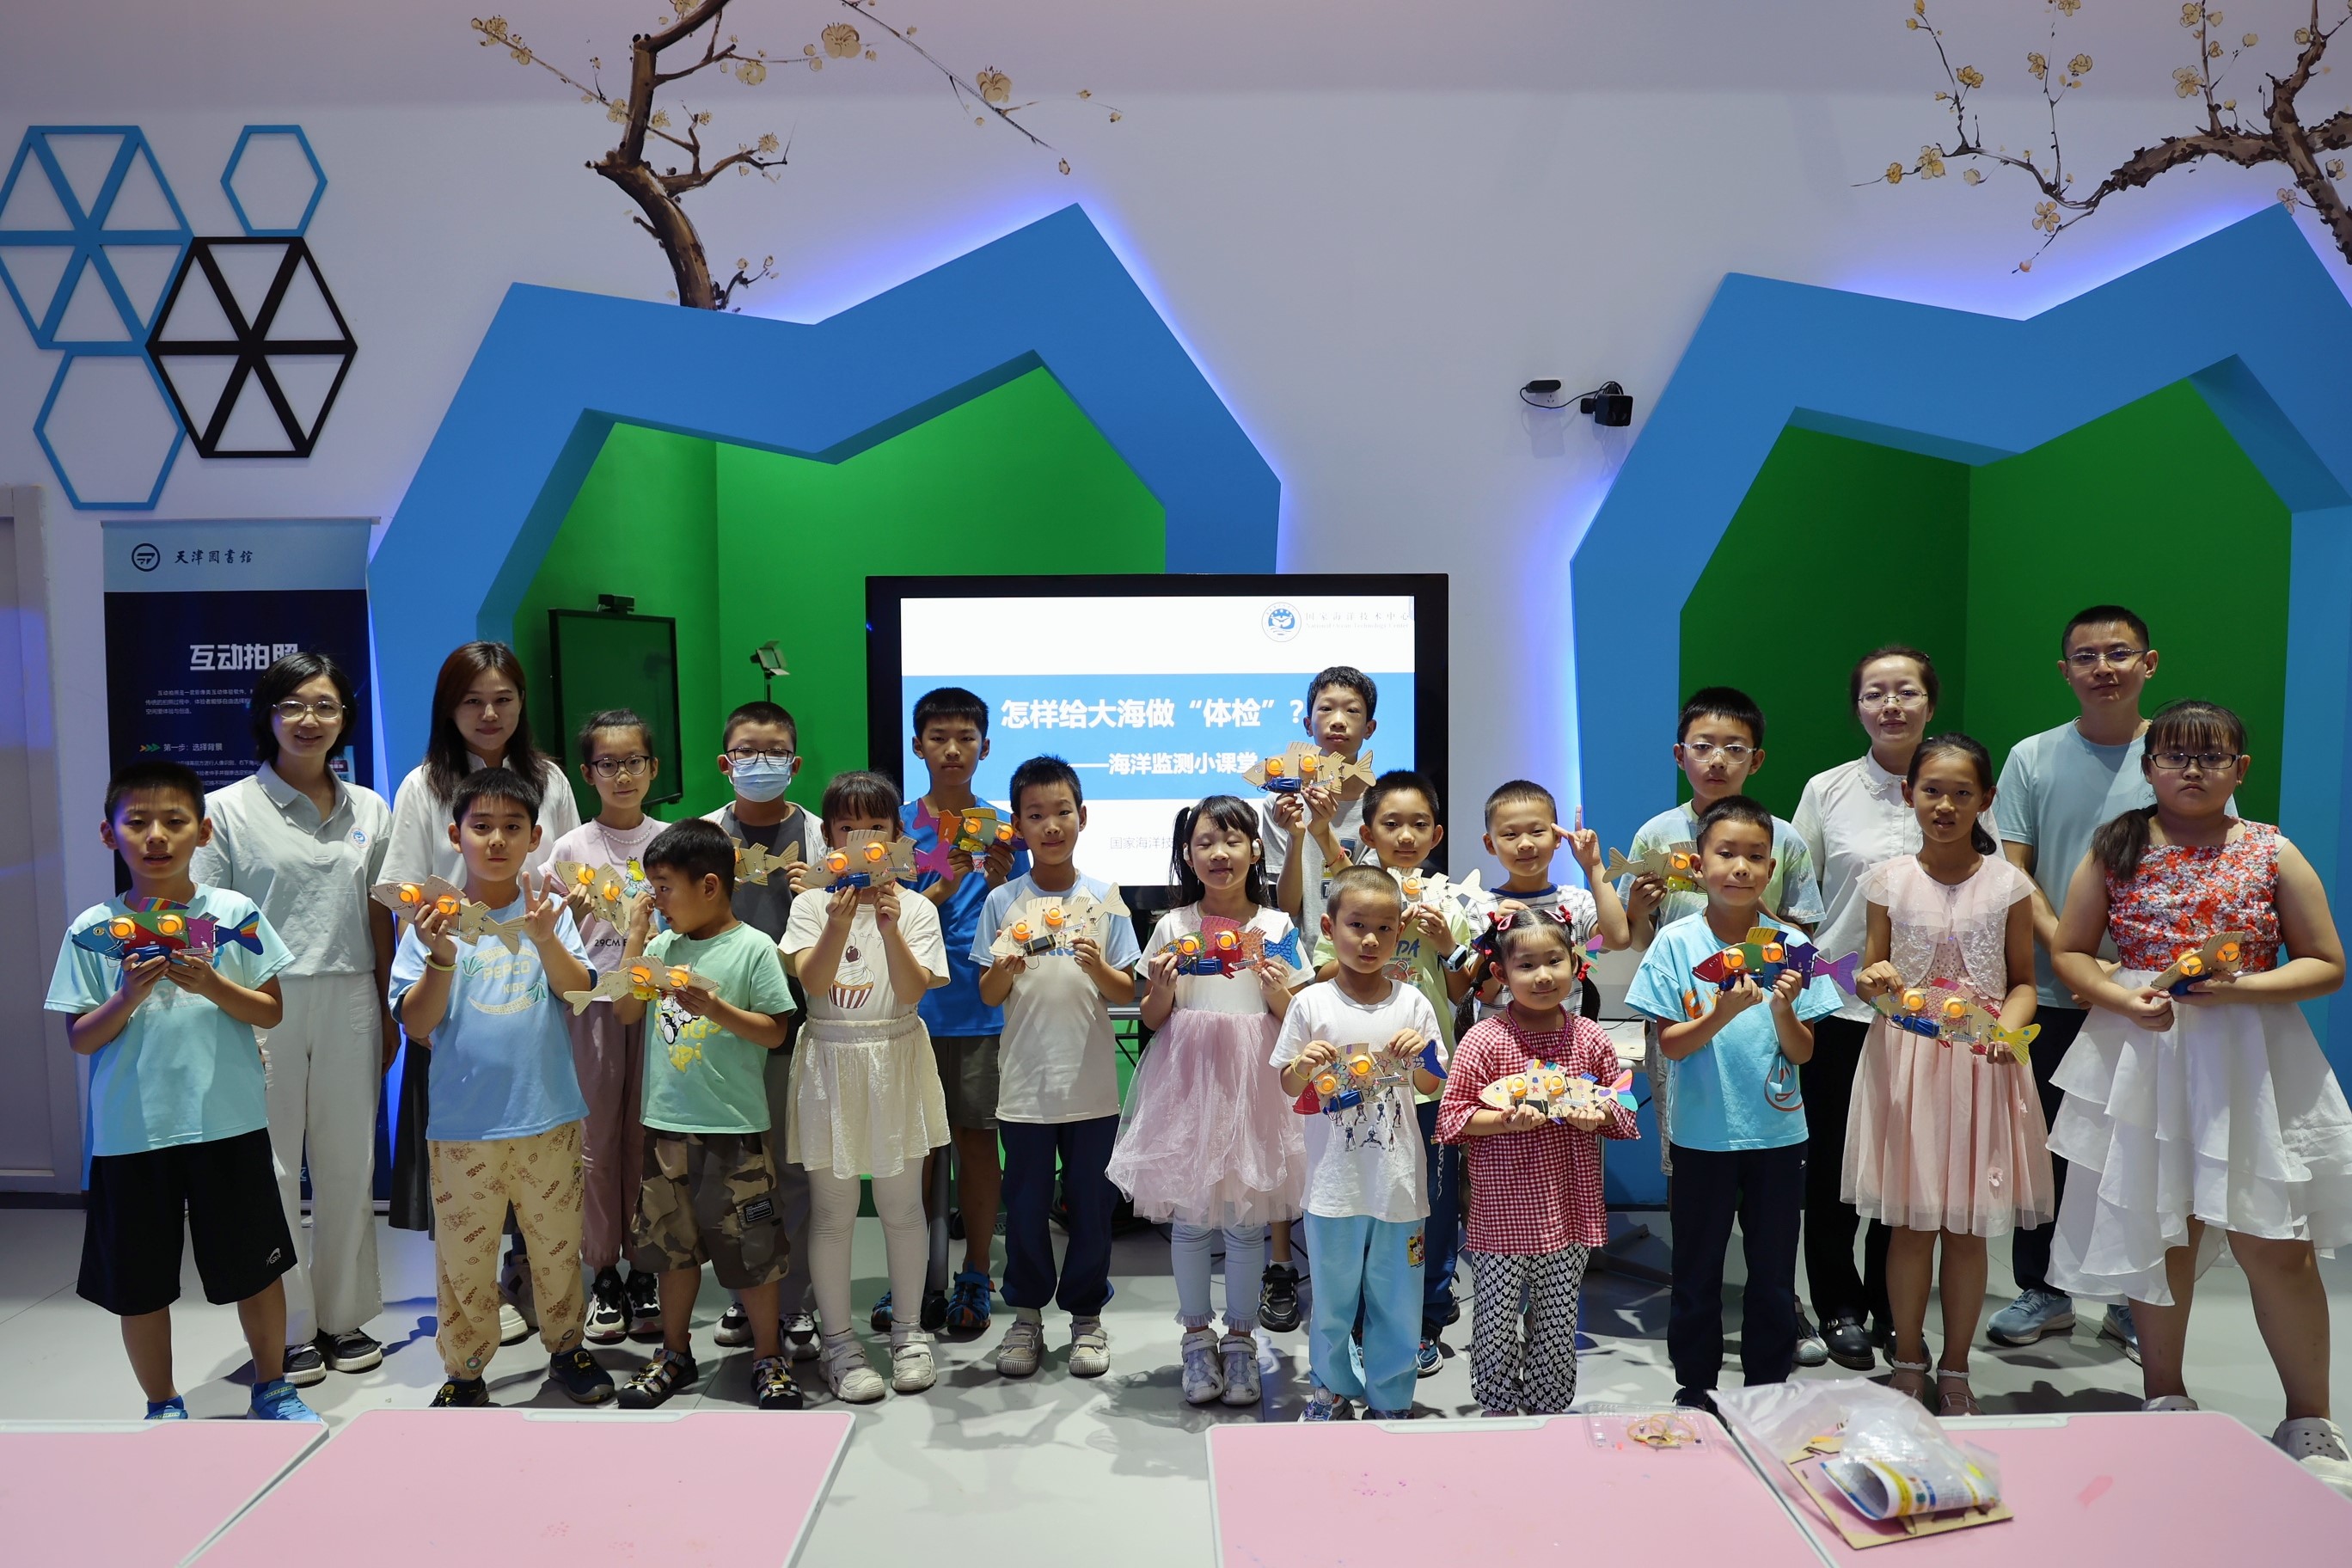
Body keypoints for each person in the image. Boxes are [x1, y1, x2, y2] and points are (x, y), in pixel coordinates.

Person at [2046, 699, 2352, 1488]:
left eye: (2210, 757)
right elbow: (2071, 951)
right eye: (2174, 756)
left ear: (2238, 770)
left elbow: (2325, 961)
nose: (2191, 770)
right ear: (2149, 767)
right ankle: (2165, 1396)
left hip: (2253, 1061)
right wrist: (2122, 998)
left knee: (2276, 1241)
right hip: (2145, 1055)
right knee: (2164, 1230)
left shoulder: (2271, 849)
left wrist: (2245, 986)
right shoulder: (2115, 846)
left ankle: (2310, 1420)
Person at [47, 760, 316, 1423]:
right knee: (139, 1282)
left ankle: (273, 1387)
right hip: (131, 1131)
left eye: (174, 821)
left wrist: (213, 984)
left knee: (256, 1267)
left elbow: (270, 1009)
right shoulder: (93, 928)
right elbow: (80, 1038)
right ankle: (162, 1404)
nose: (156, 836)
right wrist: (126, 998)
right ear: (108, 835)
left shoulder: (233, 914)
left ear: (204, 831)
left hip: (227, 1123)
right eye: (137, 822)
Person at [1988, 606, 2187, 1360]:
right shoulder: (2032, 757)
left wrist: (2127, 976)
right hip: (2050, 988)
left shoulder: (2178, 755)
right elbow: (2015, 870)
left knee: (2136, 1149)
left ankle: (2135, 1300)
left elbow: (2202, 862)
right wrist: (2072, 955)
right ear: (2065, 670)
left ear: (2149, 663)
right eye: (2086, 656)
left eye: (2119, 653)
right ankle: (2043, 1290)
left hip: (2148, 996)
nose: (2103, 668)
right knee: (2045, 1144)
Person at [193, 652, 395, 1387]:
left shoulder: (370, 809)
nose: (310, 720)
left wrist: (387, 1005)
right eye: (293, 706)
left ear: (345, 718)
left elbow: (381, 915)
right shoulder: (225, 810)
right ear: (268, 715)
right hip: (260, 1001)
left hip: (351, 994)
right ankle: (290, 1326)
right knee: (272, 1167)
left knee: (348, 1162)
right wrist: (222, 1009)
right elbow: (203, 921)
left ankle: (343, 1317)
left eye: (326, 706)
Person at [388, 767, 614, 1409]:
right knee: (464, 1259)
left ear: (535, 838)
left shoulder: (548, 913)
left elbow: (577, 991)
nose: (496, 840)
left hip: (549, 1117)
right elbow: (417, 1023)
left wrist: (545, 940)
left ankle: (567, 1348)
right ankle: (465, 1372)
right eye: (481, 826)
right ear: (454, 835)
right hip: (463, 1127)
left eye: (512, 827)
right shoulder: (432, 923)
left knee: (557, 1248)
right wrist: (439, 957)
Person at [380, 641, 579, 1344]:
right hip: (455, 987)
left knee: (541, 1147)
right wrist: (433, 968)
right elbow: (404, 893)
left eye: (502, 699)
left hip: (533, 981)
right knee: (468, 1160)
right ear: (449, 708)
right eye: (472, 701)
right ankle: (480, 1292)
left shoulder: (548, 779)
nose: (489, 714)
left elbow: (569, 878)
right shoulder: (423, 785)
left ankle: (534, 1280)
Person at [1846, 733, 2049, 1417]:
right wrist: (1874, 979)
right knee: (1910, 1226)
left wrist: (2009, 1033)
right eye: (1932, 790)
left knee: (1968, 1230)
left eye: (1963, 793)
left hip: (1983, 1064)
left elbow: (2024, 982)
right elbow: (1872, 977)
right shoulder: (1887, 880)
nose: (1945, 805)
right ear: (1909, 794)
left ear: (1986, 800)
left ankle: (1957, 1366)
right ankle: (1908, 1359)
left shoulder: (2010, 885)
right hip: (1907, 1063)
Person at [1619, 686, 1826, 1355]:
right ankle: (1694, 1334)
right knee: (1689, 1170)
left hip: (1768, 1024)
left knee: (1772, 1217)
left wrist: (1773, 955)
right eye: (1703, 746)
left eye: (1734, 748)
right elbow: (1632, 936)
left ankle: (1780, 1320)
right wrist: (1639, 907)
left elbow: (1805, 931)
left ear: (1756, 759)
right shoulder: (1656, 835)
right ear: (1680, 754)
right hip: (1684, 1014)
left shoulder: (1786, 838)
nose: (1717, 759)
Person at [1108, 795, 1305, 1408]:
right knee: (1191, 1221)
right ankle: (1197, 1339)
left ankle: (1241, 1342)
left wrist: (1277, 990)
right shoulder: (1173, 926)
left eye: (1233, 840)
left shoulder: (1278, 928)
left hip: (1255, 1083)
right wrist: (1162, 989)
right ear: (1188, 856)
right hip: (1188, 1081)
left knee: (1246, 1222)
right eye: (1205, 843)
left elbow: (1295, 1017)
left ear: (1256, 850)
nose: (1220, 853)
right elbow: (1152, 1017)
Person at [607, 818, 802, 1412]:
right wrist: (635, 937)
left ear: (710, 886)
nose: (657, 900)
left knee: (753, 1253)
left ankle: (768, 1356)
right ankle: (674, 1352)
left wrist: (716, 1009)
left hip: (735, 1132)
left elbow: (776, 1032)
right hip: (666, 1129)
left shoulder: (754, 948)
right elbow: (624, 1013)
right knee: (672, 1250)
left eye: (665, 888)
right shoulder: (661, 948)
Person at [782, 771, 952, 1404]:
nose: (863, 839)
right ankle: (839, 1345)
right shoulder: (809, 905)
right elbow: (813, 983)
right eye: (848, 828)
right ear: (830, 838)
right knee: (832, 1211)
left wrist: (887, 927)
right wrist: (836, 922)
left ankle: (909, 1334)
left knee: (902, 1207)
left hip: (896, 1053)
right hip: (829, 1057)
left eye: (876, 826)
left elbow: (912, 990)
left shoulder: (915, 908)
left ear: (897, 835)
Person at [1790, 646, 1936, 1370]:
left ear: (1929, 704)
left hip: (1933, 1015)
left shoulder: (1959, 783)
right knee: (1833, 1166)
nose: (1891, 705)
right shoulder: (1827, 790)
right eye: (1876, 693)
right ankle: (1838, 1304)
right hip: (1839, 1007)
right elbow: (1796, 902)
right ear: (1858, 708)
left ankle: (1893, 1304)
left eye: (1906, 691)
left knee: (1909, 1166)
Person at [972, 756, 1139, 1381]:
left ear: (1083, 817)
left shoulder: (1106, 899)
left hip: (1091, 1088)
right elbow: (988, 995)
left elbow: (1125, 990)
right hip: (1025, 1086)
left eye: (1062, 812)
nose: (1050, 825)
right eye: (1035, 815)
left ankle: (1087, 1317)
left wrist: (1099, 967)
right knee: (1024, 1205)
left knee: (1091, 1206)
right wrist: (1003, 969)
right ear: (1017, 825)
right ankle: (1026, 1316)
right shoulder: (1002, 900)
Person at [1437, 904, 1638, 1415]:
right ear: (1500, 973)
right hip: (1502, 1212)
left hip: (1569, 1209)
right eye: (1526, 965)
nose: (1543, 976)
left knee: (1558, 1318)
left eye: (1554, 961)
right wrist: (1504, 1120)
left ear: (1576, 963)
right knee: (1496, 1317)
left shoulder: (1589, 1037)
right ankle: (1498, 1407)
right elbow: (1453, 1118)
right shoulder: (1485, 1038)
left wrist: (1598, 1115)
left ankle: (1550, 1407)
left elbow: (1622, 1105)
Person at [1305, 772, 1473, 1375]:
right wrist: (1372, 949)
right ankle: (1359, 1324)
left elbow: (1462, 990)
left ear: (1437, 834)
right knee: (1362, 1203)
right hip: (1361, 1082)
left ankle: (1426, 1319)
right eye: (1391, 824)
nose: (1405, 835)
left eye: (1419, 824)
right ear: (1368, 832)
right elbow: (1322, 973)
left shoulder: (1448, 900)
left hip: (1427, 1082)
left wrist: (1446, 942)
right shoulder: (1355, 894)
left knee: (1431, 1206)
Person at [1277, 866, 1447, 1420]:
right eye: (1357, 926)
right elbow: (1288, 1085)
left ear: (1400, 932)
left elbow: (1432, 1085)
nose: (1370, 940)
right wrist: (1303, 1066)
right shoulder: (1311, 1004)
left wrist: (1423, 1055)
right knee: (1332, 1299)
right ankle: (1329, 1389)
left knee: (1398, 1297)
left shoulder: (1413, 1004)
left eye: (1384, 928)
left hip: (1398, 1185)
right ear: (1330, 928)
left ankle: (1391, 1396)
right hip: (1333, 1187)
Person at [699, 700, 824, 1359]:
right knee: (732, 1171)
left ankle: (796, 1300)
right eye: (746, 751)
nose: (760, 762)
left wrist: (817, 896)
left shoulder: (821, 837)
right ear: (726, 763)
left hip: (796, 1028)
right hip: (721, 1029)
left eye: (774, 752)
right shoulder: (701, 835)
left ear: (794, 764)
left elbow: (844, 929)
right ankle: (744, 1295)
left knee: (793, 1170)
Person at [899, 687, 1025, 1337]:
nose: (953, 749)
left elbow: (1028, 920)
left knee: (978, 1144)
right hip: (908, 1013)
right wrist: (941, 887)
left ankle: (976, 1271)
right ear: (917, 745)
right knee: (913, 1152)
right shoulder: (894, 827)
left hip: (982, 1013)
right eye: (939, 737)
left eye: (966, 738)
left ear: (985, 746)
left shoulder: (1007, 829)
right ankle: (915, 1275)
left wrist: (1003, 884)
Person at [1258, 665, 1380, 1332]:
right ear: (1306, 723)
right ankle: (1281, 1265)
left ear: (1369, 727)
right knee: (1291, 1119)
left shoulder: (1384, 801)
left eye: (1350, 709)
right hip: (1296, 972)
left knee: (1359, 1108)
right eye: (1325, 708)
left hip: (1363, 972)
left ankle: (1359, 1268)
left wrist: (1330, 830)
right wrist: (1300, 830)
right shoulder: (1280, 802)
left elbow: (1377, 896)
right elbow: (1285, 906)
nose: (1337, 719)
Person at [546, 709, 666, 1349]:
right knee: (595, 1142)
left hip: (657, 1004)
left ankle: (646, 1267)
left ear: (653, 768)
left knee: (648, 1138)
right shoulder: (570, 849)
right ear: (587, 773)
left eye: (634, 762)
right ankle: (603, 1273)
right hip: (591, 1006)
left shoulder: (675, 839)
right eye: (608, 764)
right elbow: (549, 937)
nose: (623, 775)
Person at [1466, 781, 1631, 1022]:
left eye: (1537, 832)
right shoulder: (1482, 907)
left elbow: (1619, 938)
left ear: (1557, 837)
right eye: (1510, 834)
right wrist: (1493, 935)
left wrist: (1593, 866)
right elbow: (1483, 993)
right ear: (1490, 844)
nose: (1525, 843)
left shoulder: (1576, 901)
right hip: (1502, 1042)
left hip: (1566, 1039)